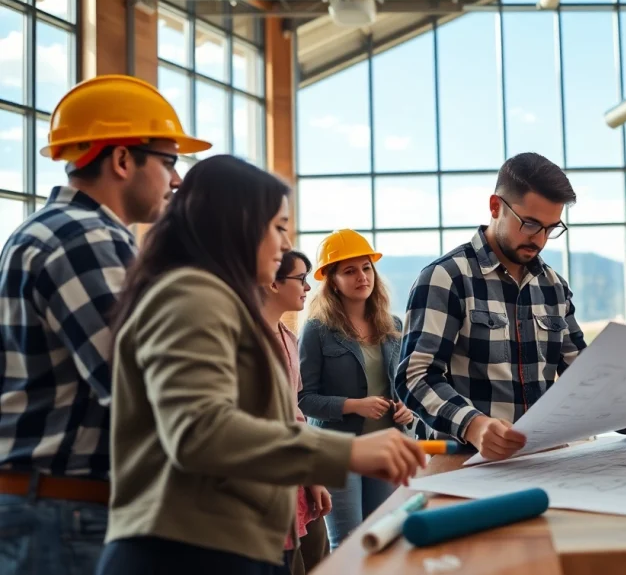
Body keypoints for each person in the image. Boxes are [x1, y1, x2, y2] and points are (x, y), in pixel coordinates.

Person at [95, 155, 425, 575]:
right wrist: (348, 451)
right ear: (238, 225)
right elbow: (201, 431)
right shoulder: (193, 296)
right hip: (189, 552)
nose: (286, 246)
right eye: (279, 227)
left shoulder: (222, 304)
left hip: (217, 544)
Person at [0, 74, 210, 575]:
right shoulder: (85, 237)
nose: (176, 181)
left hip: (47, 507)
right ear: (121, 160)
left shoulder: (47, 231)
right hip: (62, 511)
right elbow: (141, 386)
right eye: (169, 162)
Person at [396, 152, 626, 462]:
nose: (540, 240)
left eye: (551, 228)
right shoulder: (446, 278)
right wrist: (473, 426)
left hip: (542, 460)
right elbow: (415, 376)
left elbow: (583, 378)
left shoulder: (553, 286)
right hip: (464, 460)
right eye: (530, 224)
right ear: (495, 206)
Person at [297, 229, 424, 549]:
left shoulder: (392, 325)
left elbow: (402, 386)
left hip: (387, 448)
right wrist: (353, 405)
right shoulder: (317, 330)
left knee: (386, 537)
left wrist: (407, 410)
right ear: (332, 281)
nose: (362, 277)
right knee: (349, 542)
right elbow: (303, 399)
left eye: (366, 268)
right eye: (349, 271)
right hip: (339, 450)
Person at [261, 250, 331, 575]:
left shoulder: (289, 337)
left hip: (301, 476)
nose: (307, 287)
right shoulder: (247, 342)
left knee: (322, 561)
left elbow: (296, 413)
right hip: (272, 484)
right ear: (273, 283)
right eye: (301, 278)